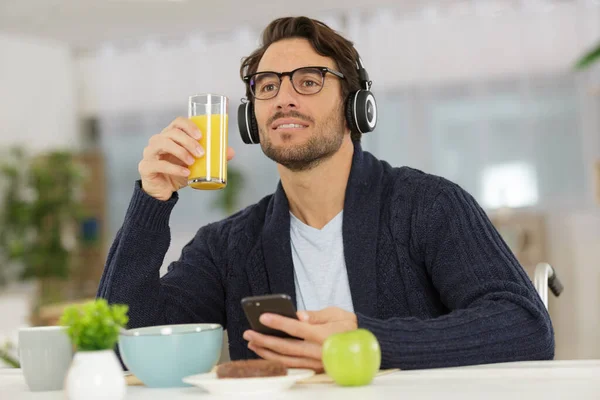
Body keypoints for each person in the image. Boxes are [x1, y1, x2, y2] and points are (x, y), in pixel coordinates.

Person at [97, 16, 554, 372]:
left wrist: (366, 340)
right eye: (268, 85)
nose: (283, 98)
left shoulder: (429, 206)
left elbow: (526, 327)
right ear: (251, 117)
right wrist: (151, 203)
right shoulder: (227, 246)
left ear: (357, 105)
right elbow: (124, 345)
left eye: (309, 81)